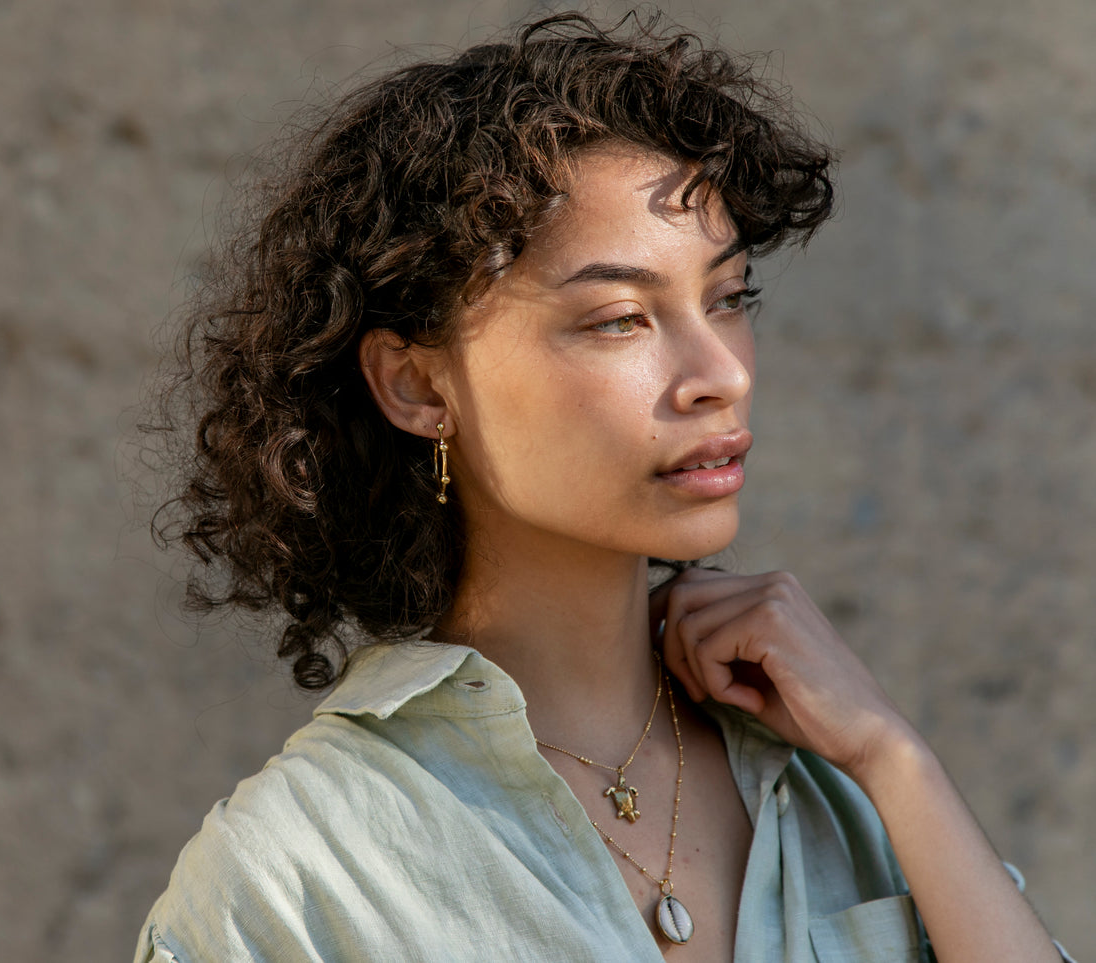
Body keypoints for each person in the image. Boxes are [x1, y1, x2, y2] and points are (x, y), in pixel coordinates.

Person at [137, 12, 1070, 962]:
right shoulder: (295, 877)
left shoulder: (843, 793)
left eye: (728, 297)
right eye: (620, 318)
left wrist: (893, 757)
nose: (721, 372)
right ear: (417, 384)